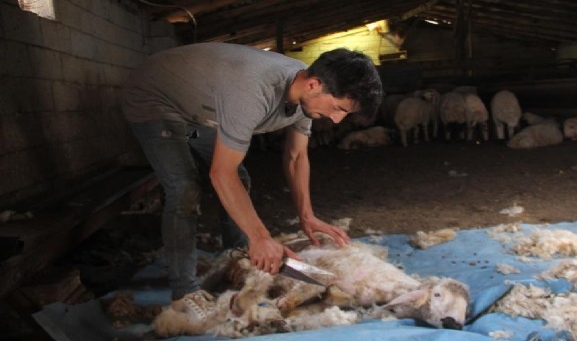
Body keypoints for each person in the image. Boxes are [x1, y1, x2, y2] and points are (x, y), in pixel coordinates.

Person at [121, 42, 383, 323]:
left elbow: (295, 157)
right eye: (337, 108)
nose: (335, 119)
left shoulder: (306, 97)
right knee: (185, 187)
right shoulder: (253, 92)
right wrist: (261, 236)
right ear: (313, 86)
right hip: (155, 103)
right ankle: (184, 292)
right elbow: (221, 173)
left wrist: (307, 216)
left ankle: (237, 258)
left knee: (240, 177)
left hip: (195, 119)